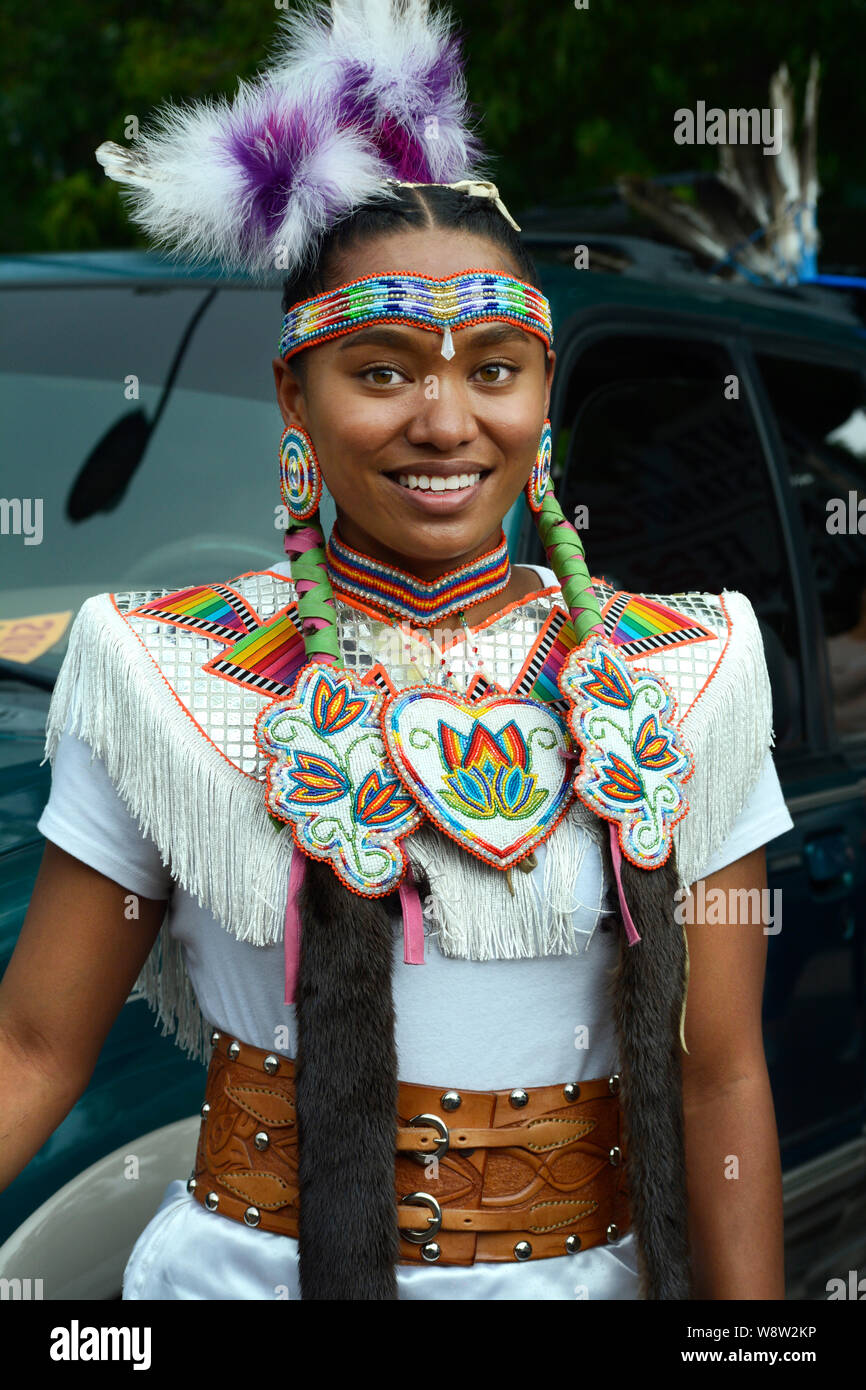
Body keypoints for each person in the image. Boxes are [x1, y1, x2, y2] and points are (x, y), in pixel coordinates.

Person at [0, 0, 792, 1300]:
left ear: (542, 395)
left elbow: (721, 1071)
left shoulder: (685, 675)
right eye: (380, 371)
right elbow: (32, 1045)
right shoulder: (165, 676)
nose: (444, 420)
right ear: (292, 397)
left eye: (493, 367)